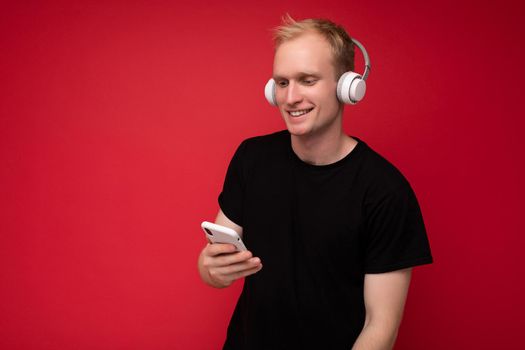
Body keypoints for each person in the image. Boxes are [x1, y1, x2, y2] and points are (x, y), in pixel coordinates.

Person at [198, 15, 433, 350]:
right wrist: (210, 270)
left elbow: (380, 326)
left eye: (307, 80)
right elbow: (214, 264)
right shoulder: (252, 158)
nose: (290, 97)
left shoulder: (385, 191)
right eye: (282, 83)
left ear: (348, 86)